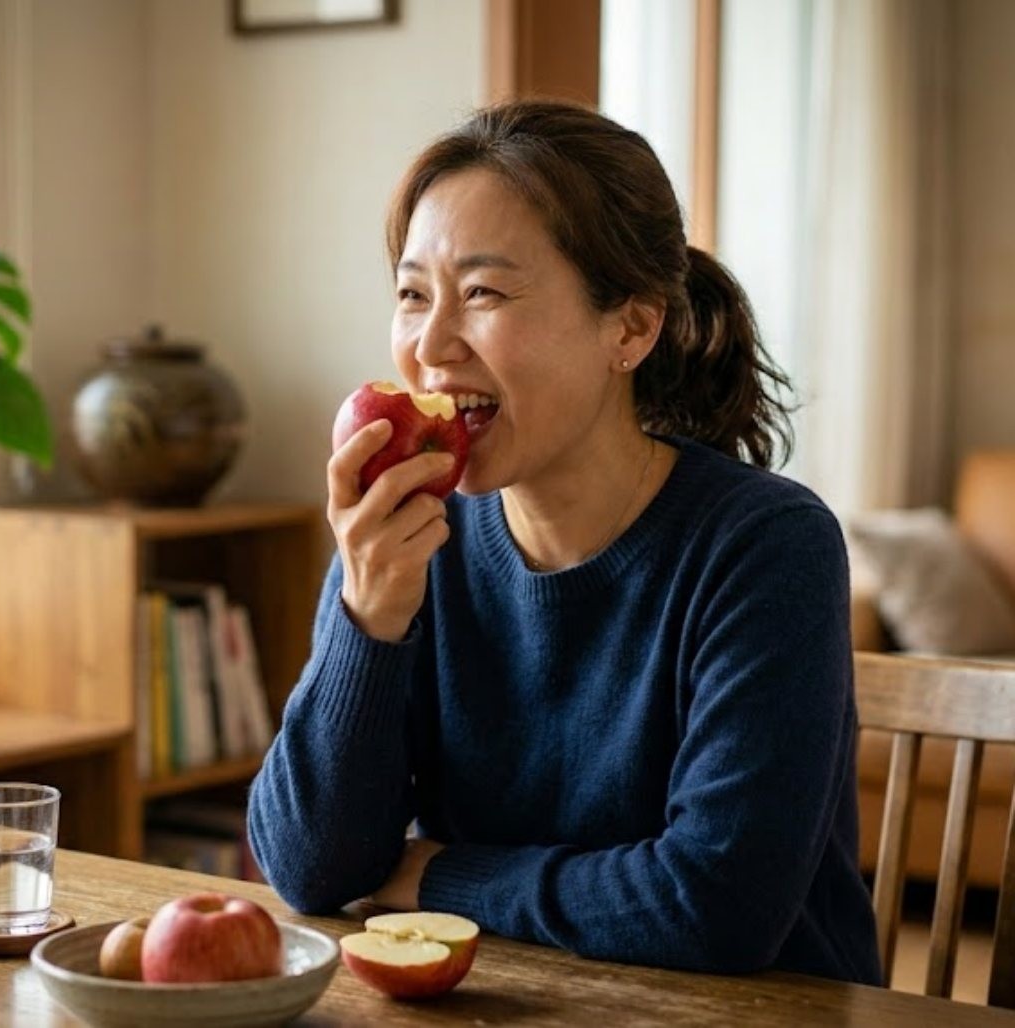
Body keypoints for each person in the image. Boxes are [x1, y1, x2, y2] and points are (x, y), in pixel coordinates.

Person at [247, 99, 882, 985]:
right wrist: (368, 614)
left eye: (483, 293)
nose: (431, 347)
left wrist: (437, 872)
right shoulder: (410, 537)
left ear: (630, 327)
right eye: (413, 294)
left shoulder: (767, 546)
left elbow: (715, 908)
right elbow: (313, 870)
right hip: (515, 1003)